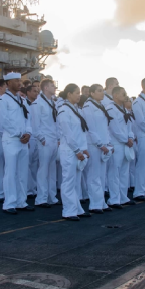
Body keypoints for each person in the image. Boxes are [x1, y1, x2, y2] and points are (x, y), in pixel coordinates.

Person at [0, 72, 34, 214]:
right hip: (12, 140)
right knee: (10, 172)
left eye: (20, 80)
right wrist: (20, 134)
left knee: (22, 172)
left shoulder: (22, 100)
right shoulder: (3, 100)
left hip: (23, 141)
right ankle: (9, 203)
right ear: (7, 83)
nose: (19, 83)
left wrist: (28, 133)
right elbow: (4, 121)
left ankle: (21, 201)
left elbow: (28, 119)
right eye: (16, 81)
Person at [57, 84, 90, 221]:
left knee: (76, 181)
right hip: (70, 151)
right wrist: (77, 150)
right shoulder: (64, 111)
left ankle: (77, 208)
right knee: (68, 181)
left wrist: (84, 148)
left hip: (77, 150)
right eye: (76, 93)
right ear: (69, 94)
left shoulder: (76, 110)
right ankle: (69, 211)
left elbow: (81, 133)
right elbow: (68, 134)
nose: (79, 95)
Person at [82, 84, 112, 213]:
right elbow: (90, 128)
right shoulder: (88, 107)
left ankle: (101, 202)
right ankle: (94, 204)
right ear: (92, 93)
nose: (102, 93)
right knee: (94, 175)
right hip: (95, 145)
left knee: (101, 175)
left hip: (103, 144)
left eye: (102, 91)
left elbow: (105, 127)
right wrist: (100, 144)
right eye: (99, 91)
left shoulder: (100, 106)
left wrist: (108, 143)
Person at [105, 86, 135, 207]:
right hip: (117, 143)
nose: (125, 95)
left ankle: (123, 197)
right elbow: (114, 129)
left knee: (124, 172)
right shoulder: (110, 108)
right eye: (123, 93)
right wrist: (126, 139)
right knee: (114, 172)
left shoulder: (124, 109)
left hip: (125, 143)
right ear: (116, 95)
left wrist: (131, 137)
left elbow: (129, 126)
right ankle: (114, 199)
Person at [32, 79, 60, 208]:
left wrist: (58, 138)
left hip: (54, 139)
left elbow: (56, 123)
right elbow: (35, 124)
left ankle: (51, 196)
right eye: (52, 86)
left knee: (52, 170)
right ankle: (41, 198)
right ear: (46, 88)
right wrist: (41, 138)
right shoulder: (38, 103)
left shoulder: (53, 103)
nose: (54, 87)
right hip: (45, 140)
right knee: (43, 170)